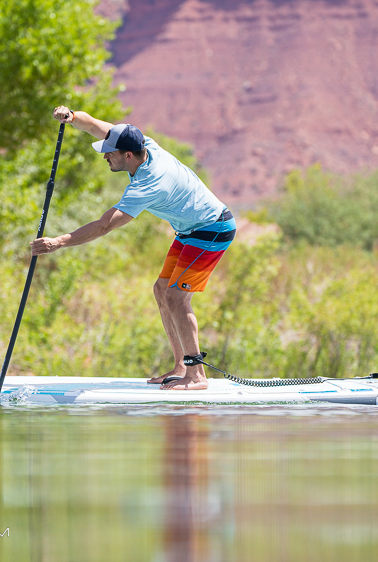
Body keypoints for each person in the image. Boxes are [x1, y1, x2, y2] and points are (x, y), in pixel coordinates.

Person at [30, 106, 236, 390]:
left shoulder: (149, 183)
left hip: (212, 229)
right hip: (189, 230)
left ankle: (196, 375)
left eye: (109, 154)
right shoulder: (143, 144)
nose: (105, 157)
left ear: (127, 155)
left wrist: (58, 242)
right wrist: (72, 116)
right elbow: (94, 126)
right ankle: (180, 367)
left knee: (177, 298)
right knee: (161, 290)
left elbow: (105, 225)